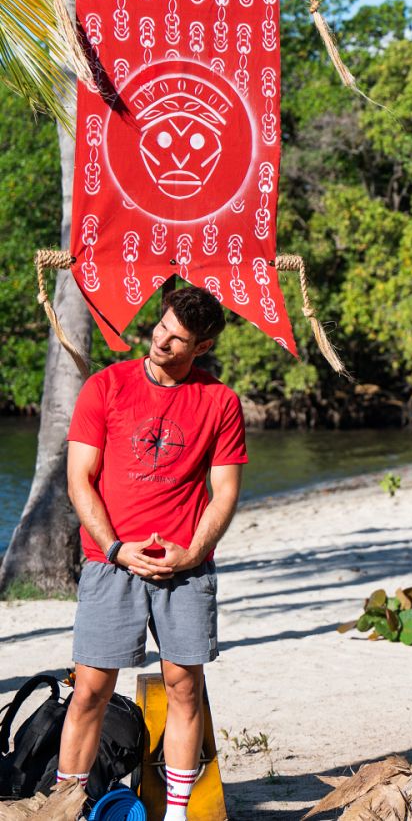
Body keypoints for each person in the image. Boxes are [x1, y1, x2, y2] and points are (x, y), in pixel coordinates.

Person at [55, 286, 245, 820]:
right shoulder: (106, 385)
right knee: (90, 688)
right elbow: (79, 480)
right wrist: (116, 547)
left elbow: (225, 490)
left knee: (185, 688)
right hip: (110, 562)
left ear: (201, 346)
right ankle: (67, 807)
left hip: (184, 570)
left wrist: (193, 553)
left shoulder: (220, 402)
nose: (161, 341)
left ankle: (179, 815)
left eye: (177, 338)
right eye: (161, 328)